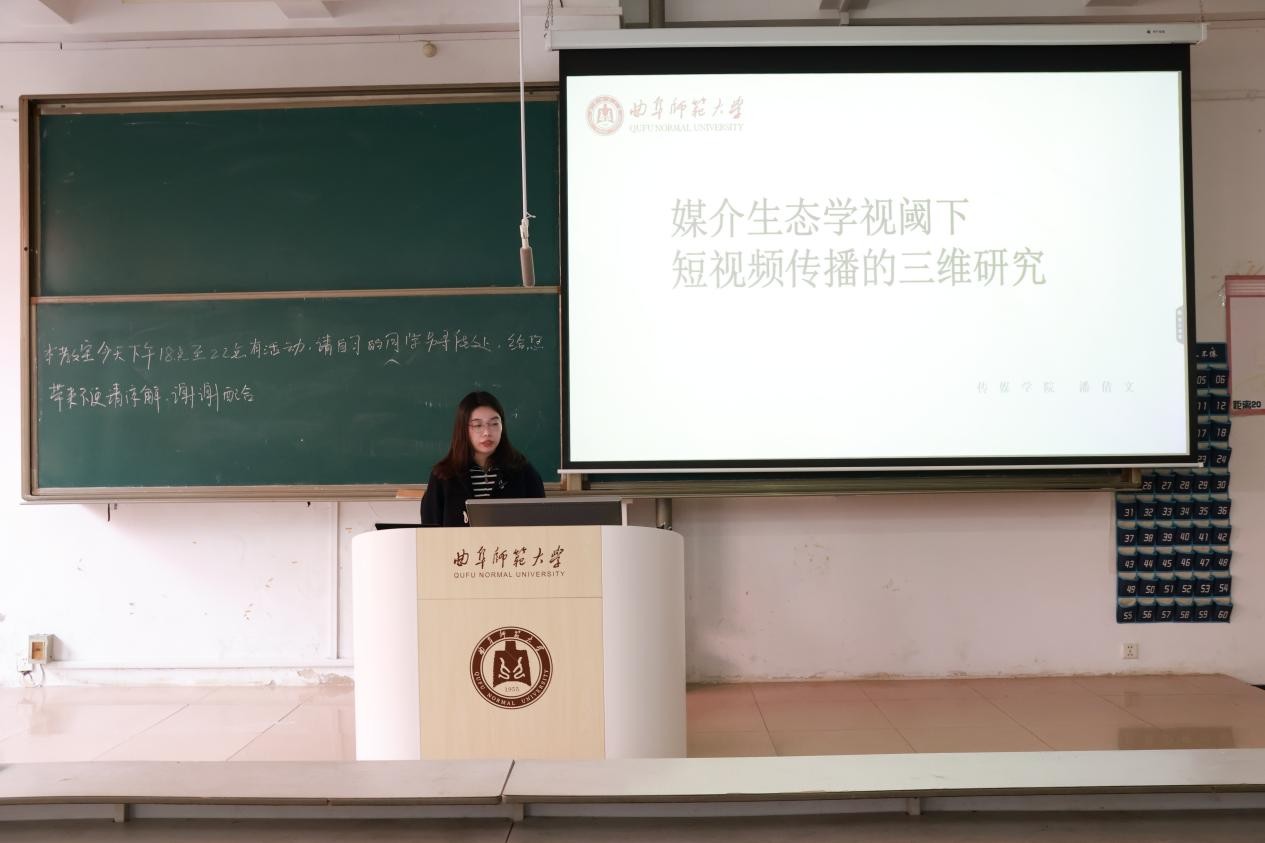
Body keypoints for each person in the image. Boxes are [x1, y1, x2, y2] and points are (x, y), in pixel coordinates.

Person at [420, 391, 545, 526]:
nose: (487, 432)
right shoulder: (443, 476)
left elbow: (541, 524)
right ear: (463, 429)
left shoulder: (522, 470)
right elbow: (430, 531)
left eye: (494, 423)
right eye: (477, 425)